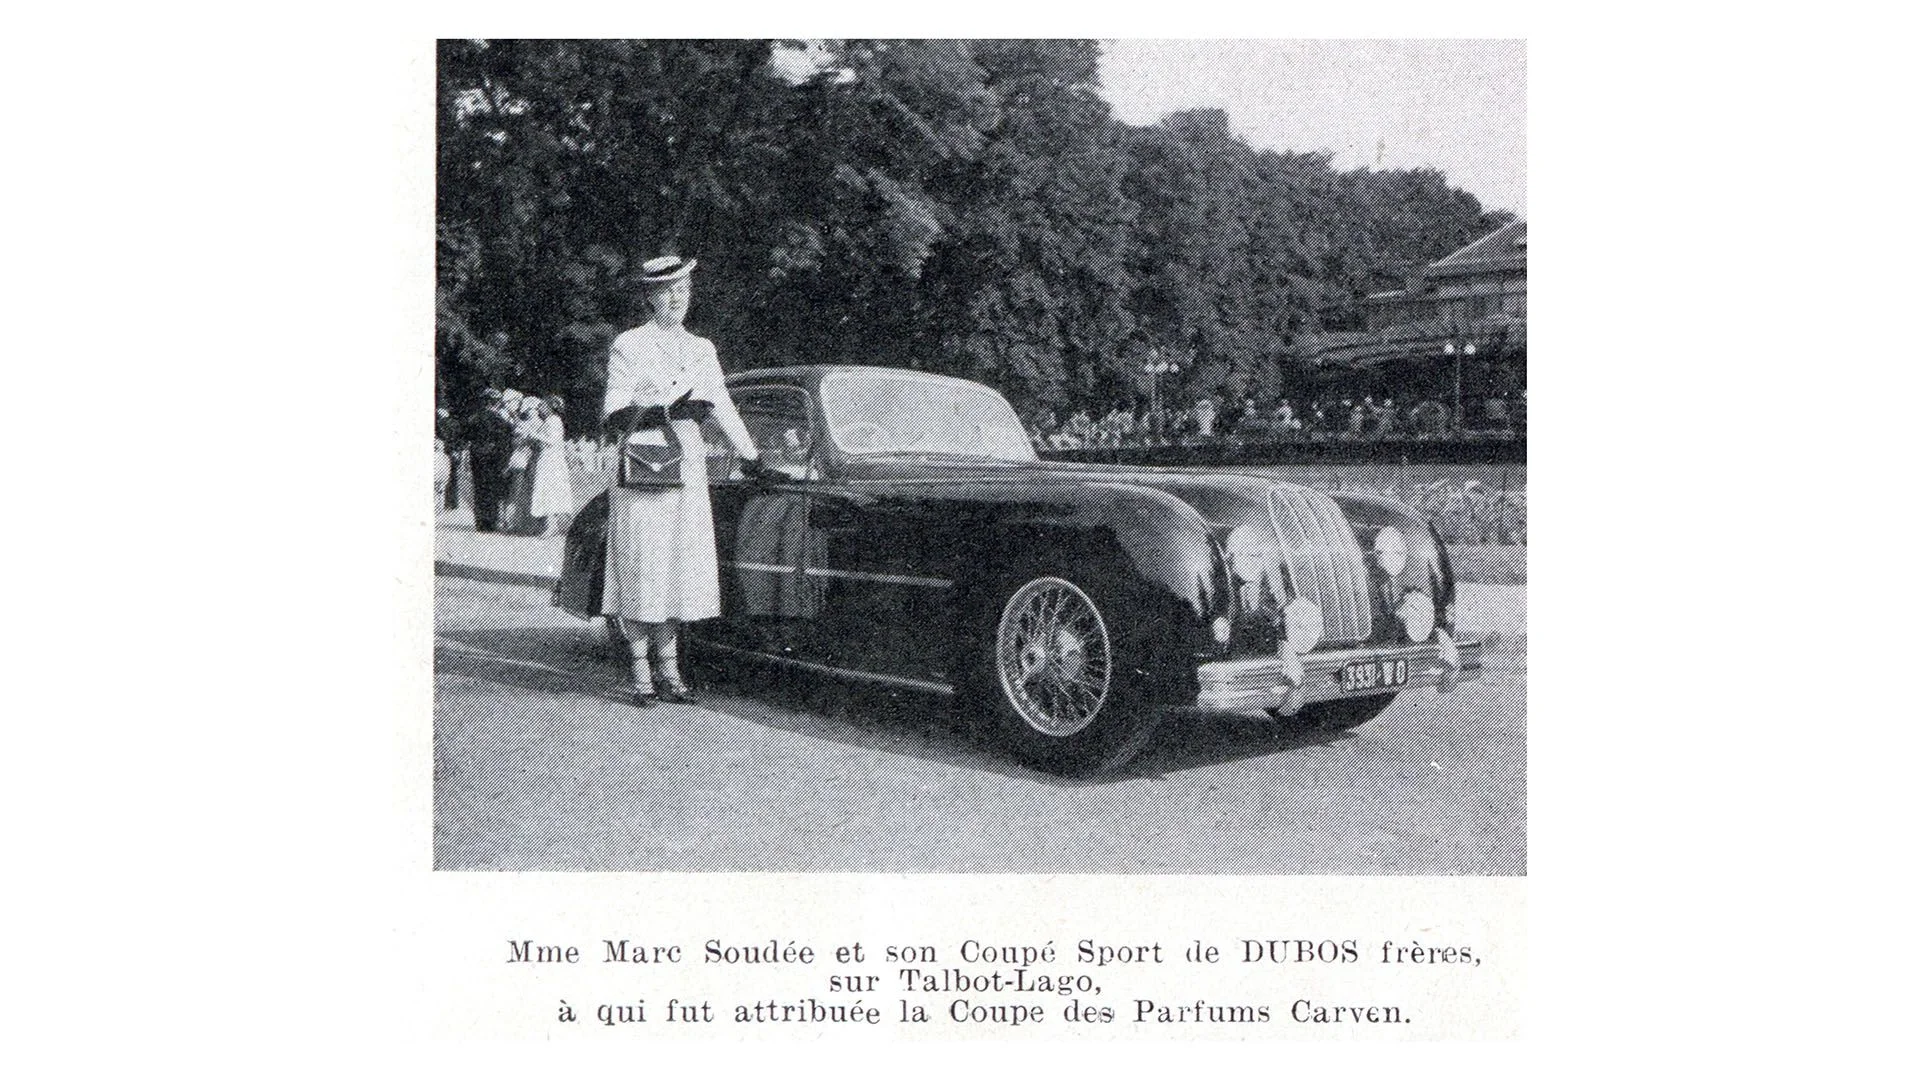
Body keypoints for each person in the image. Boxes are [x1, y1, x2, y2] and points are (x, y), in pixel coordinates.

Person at [602, 255, 767, 707]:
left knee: (676, 565)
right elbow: (612, 412)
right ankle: (639, 670)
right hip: (643, 462)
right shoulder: (628, 346)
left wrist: (751, 455)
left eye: (684, 289)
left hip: (687, 466)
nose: (676, 299)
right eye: (666, 291)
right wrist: (667, 410)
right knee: (643, 561)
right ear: (650, 297)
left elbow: (722, 406)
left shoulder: (702, 349)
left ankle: (670, 669)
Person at [465, 389, 515, 532]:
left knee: (479, 487)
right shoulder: (499, 421)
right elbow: (507, 440)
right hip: (493, 457)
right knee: (492, 488)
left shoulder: (473, 418)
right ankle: (490, 521)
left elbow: (467, 436)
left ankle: (480, 521)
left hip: (476, 455)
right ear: (496, 403)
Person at [525, 395, 574, 535]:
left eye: (544, 406)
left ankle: (552, 526)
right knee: (548, 490)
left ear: (551, 408)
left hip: (552, 459)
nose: (541, 409)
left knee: (550, 489)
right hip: (548, 457)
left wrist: (533, 434)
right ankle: (552, 525)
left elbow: (552, 441)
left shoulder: (554, 421)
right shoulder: (550, 421)